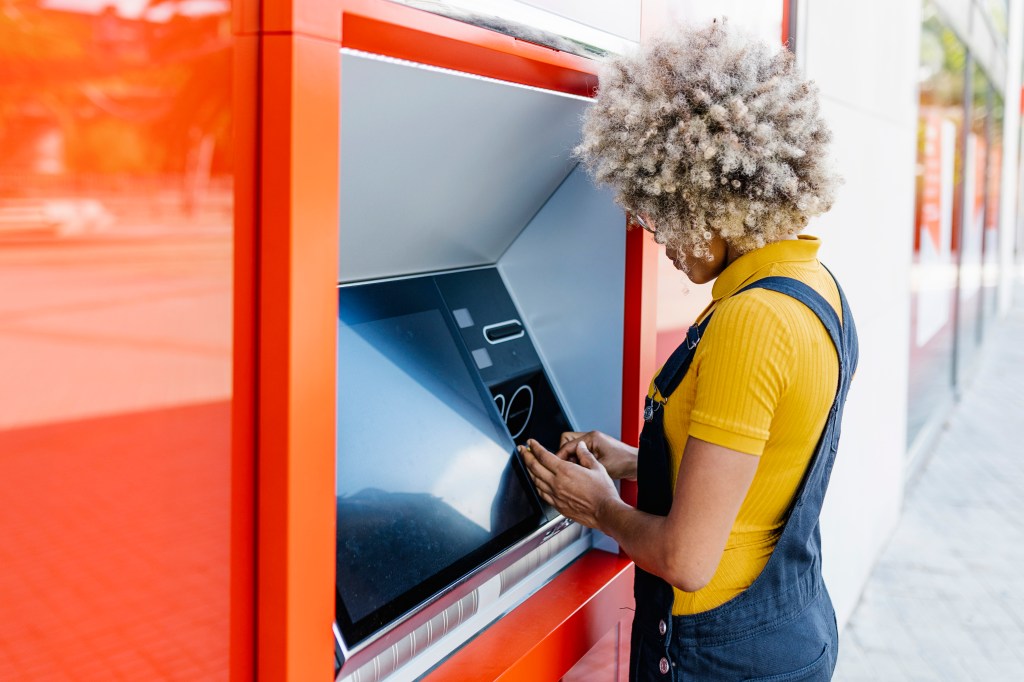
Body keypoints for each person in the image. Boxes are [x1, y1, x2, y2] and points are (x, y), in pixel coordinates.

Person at [520, 19, 858, 682]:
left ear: (714, 197)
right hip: (788, 629)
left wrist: (598, 505)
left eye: (665, 212)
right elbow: (761, 473)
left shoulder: (750, 321)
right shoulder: (815, 287)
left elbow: (686, 559)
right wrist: (629, 460)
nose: (661, 240)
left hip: (717, 658)